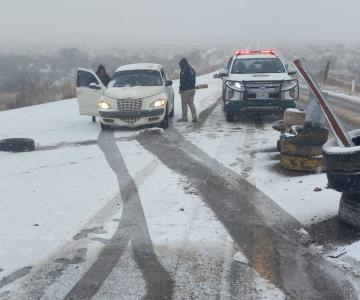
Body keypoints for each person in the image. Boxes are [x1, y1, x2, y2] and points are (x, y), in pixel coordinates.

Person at [178, 58, 197, 123]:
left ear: (182, 64)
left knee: (184, 104)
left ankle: (184, 118)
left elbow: (182, 81)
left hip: (186, 90)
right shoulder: (192, 69)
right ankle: (194, 117)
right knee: (191, 103)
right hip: (193, 89)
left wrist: (181, 89)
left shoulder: (184, 70)